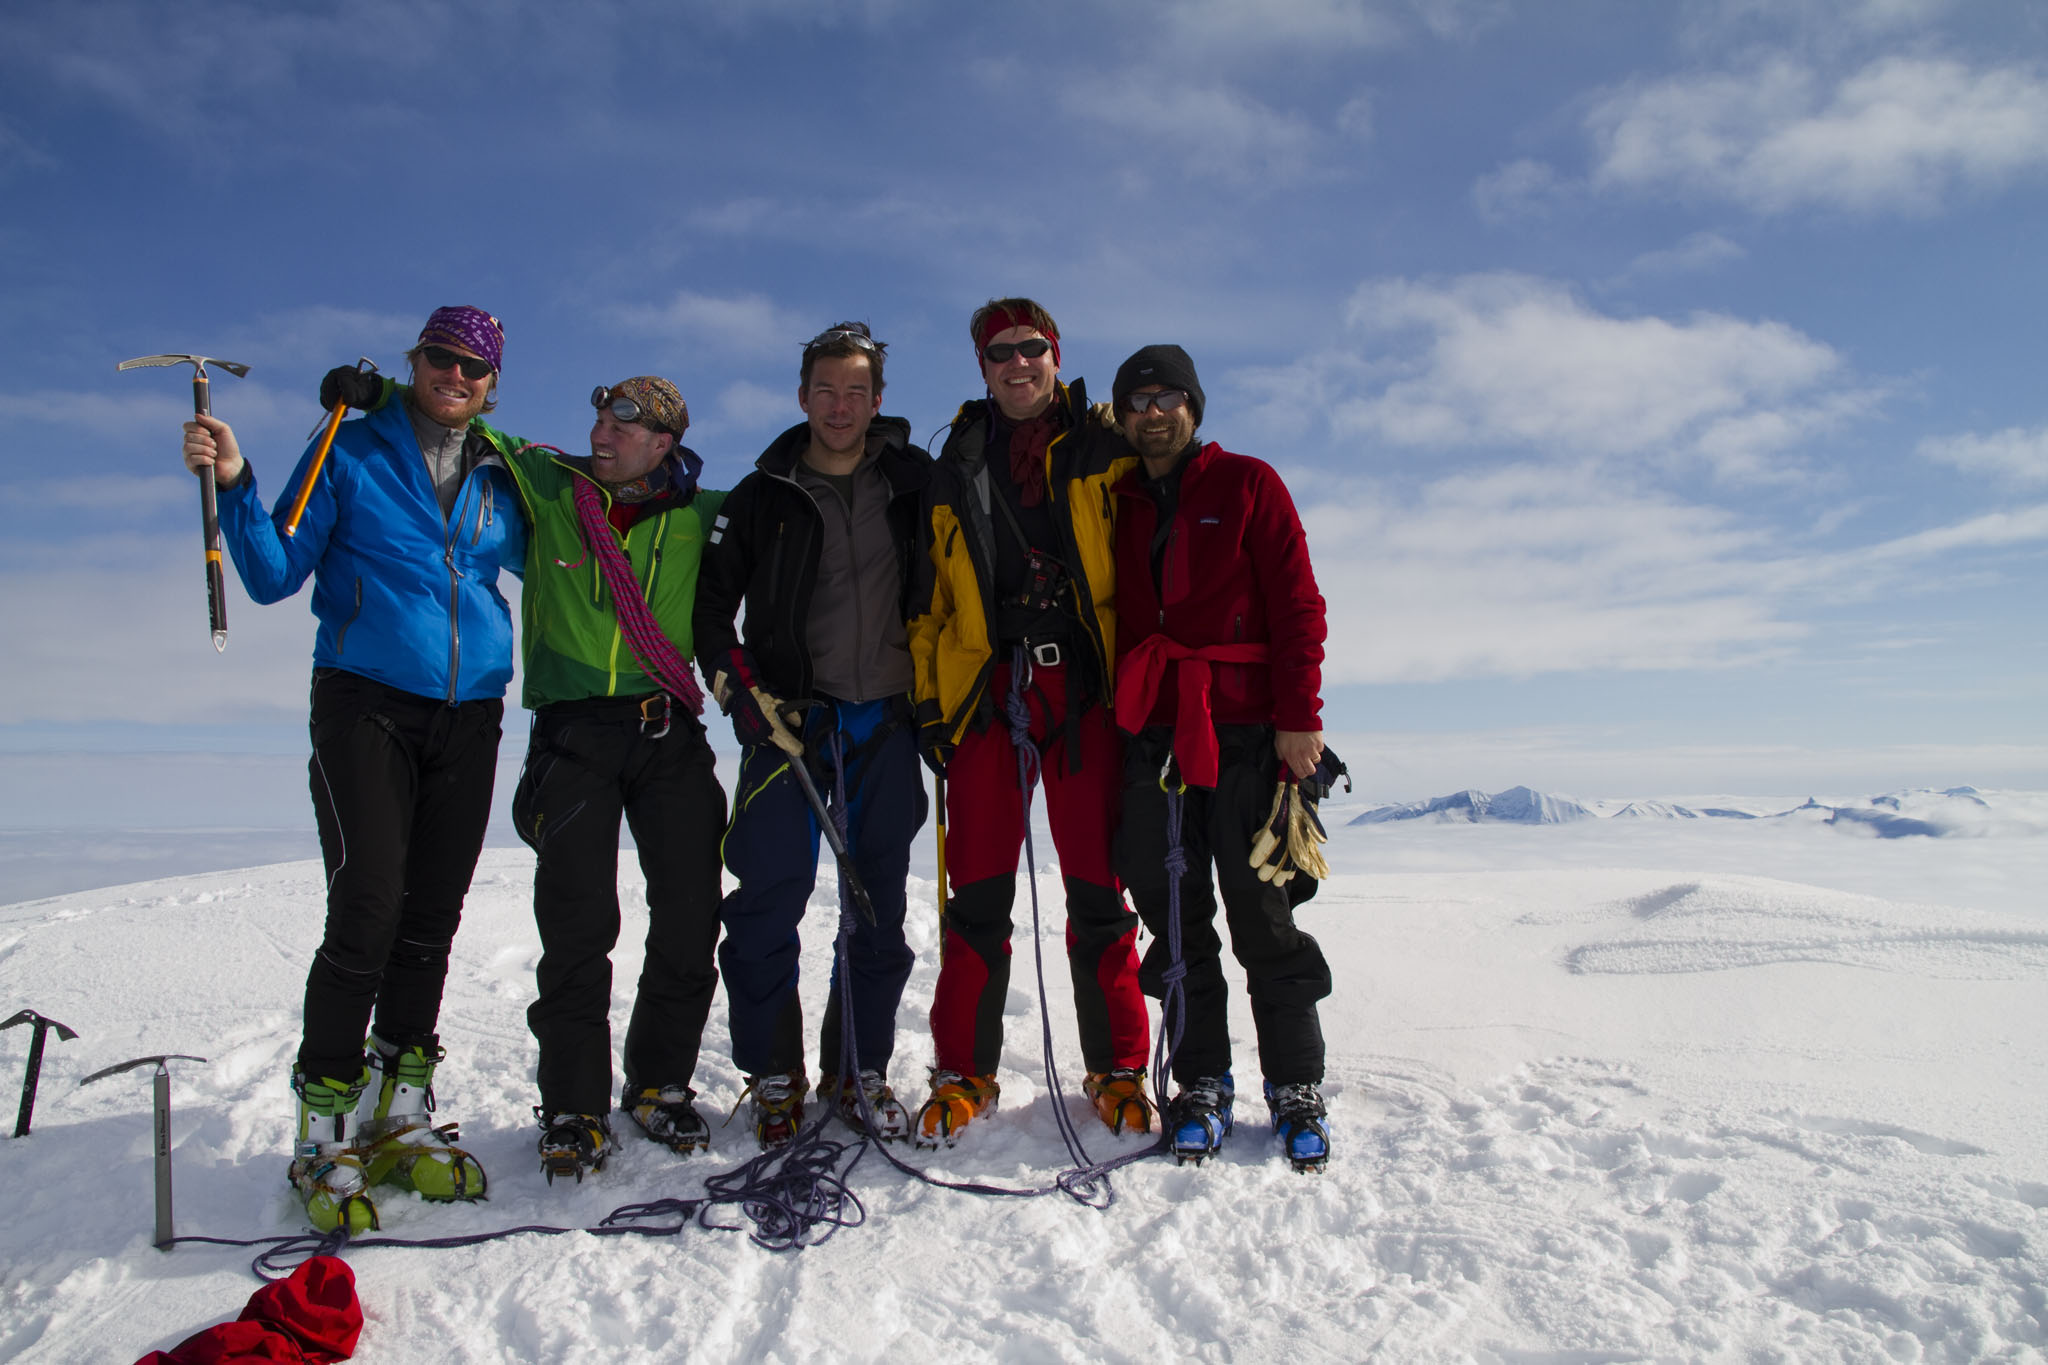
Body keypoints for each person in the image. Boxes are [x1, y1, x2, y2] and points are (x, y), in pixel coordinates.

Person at [182, 306, 525, 1232]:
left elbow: (569, 561)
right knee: (369, 902)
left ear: (493, 382)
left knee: (433, 913)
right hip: (364, 701)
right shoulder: (349, 443)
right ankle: (323, 1129)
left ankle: (401, 1114)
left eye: (475, 366)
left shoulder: (503, 468)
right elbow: (270, 569)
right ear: (415, 361)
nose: (456, 375)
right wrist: (235, 478)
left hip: (473, 714)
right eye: (441, 358)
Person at [907, 298, 1152, 1145]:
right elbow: (927, 602)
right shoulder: (955, 464)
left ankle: (1118, 1065)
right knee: (974, 894)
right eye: (1000, 352)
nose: (1018, 364)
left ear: (1057, 353)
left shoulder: (1105, 447)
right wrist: (934, 703)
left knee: (1098, 892)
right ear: (982, 366)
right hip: (987, 695)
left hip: (1084, 697)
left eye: (1032, 348)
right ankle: (962, 1069)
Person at [693, 322, 931, 1148]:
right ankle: (774, 1074)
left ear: (877, 400)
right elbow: (710, 616)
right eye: (826, 390)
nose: (840, 405)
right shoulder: (762, 495)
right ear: (802, 397)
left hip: (887, 722)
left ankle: (856, 1066)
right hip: (790, 727)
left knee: (878, 911)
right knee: (765, 904)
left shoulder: (911, 481)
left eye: (856, 391)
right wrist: (743, 696)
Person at [1105, 344, 1336, 1171]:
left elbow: (1298, 603)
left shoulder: (1248, 483)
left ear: (1194, 408)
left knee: (1263, 917)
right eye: (1137, 400)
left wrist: (1298, 719)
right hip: (1158, 738)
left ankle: (1295, 1084)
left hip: (1246, 734)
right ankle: (1201, 1077)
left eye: (1168, 396)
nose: (1152, 411)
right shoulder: (1121, 499)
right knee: (1173, 920)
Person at [499, 376, 729, 1181]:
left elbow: (795, 508)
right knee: (577, 922)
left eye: (625, 423)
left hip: (667, 731)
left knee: (692, 908)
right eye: (599, 415)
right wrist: (380, 388)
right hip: (573, 733)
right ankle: (572, 1104)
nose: (603, 431)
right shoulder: (551, 487)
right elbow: (464, 423)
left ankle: (658, 1082)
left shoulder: (703, 514)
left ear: (664, 443)